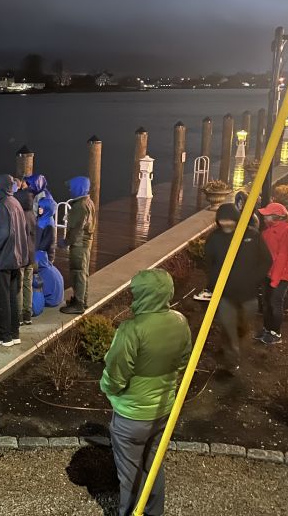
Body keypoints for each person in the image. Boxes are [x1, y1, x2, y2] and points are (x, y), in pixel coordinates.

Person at [100, 269, 192, 516]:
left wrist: (107, 388)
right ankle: (154, 511)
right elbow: (184, 361)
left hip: (131, 415)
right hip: (163, 410)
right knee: (154, 464)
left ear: (141, 294)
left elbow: (116, 374)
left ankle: (132, 512)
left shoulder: (132, 329)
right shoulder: (180, 322)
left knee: (129, 473)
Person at [204, 203, 273, 371]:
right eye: (222, 220)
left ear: (236, 219)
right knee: (228, 327)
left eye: (229, 220)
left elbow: (266, 260)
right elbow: (208, 263)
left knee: (243, 326)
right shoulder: (214, 238)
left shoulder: (252, 236)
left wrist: (254, 279)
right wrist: (214, 282)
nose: (225, 224)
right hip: (225, 294)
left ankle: (238, 348)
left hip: (248, 294)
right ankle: (232, 361)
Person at [0, 174, 29, 347]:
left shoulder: (3, 206)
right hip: (16, 258)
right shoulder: (15, 203)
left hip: (4, 259)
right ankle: (14, 333)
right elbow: (22, 231)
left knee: (3, 298)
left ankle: (5, 336)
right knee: (12, 297)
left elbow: (1, 234)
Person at [256, 202, 288, 346]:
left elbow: (283, 257)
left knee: (275, 302)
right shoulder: (266, 232)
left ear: (276, 217)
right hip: (268, 273)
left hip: (282, 276)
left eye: (266, 215)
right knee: (266, 302)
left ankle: (275, 333)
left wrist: (275, 280)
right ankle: (267, 329)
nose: (264, 218)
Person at [60, 176, 96, 315]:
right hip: (86, 243)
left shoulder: (79, 206)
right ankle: (81, 300)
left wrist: (66, 242)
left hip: (79, 244)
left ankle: (78, 304)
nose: (69, 190)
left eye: (71, 187)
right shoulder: (89, 202)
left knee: (77, 272)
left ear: (78, 188)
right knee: (83, 272)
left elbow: (75, 229)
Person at [15, 187, 37, 325]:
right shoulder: (32, 215)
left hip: (21, 255)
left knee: (19, 285)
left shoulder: (20, 217)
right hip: (31, 254)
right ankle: (28, 314)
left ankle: (18, 316)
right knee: (28, 284)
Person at [37, 196, 58, 262]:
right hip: (39, 255)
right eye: (39, 207)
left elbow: (45, 243)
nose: (39, 209)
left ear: (48, 209)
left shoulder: (49, 224)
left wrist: (37, 251)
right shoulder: (40, 219)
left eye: (42, 208)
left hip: (45, 257)